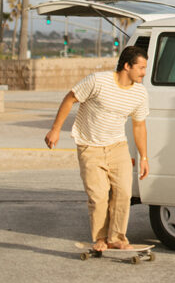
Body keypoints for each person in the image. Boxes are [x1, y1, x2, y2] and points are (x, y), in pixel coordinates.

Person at [44, 44, 150, 251]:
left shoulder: (140, 93)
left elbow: (139, 125)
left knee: (123, 193)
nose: (144, 73)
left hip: (118, 146)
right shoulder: (97, 81)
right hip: (90, 146)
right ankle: (100, 238)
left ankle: (117, 237)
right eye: (141, 68)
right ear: (127, 66)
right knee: (99, 196)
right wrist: (55, 129)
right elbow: (70, 98)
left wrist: (144, 157)